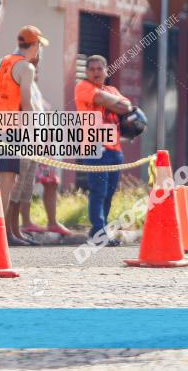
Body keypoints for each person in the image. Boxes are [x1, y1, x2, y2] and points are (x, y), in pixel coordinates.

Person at [0, 25, 47, 246]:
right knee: (9, 184)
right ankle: (1, 234)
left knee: (9, 185)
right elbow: (27, 105)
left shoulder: (2, 62)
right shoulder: (25, 68)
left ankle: (6, 232)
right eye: (39, 45)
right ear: (35, 45)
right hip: (15, 133)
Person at [74, 55, 132, 246]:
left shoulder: (112, 89)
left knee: (109, 192)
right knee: (98, 192)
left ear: (107, 70)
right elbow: (105, 100)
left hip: (115, 149)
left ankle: (99, 231)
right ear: (86, 72)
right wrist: (115, 103)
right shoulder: (83, 87)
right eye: (92, 69)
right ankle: (99, 232)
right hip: (95, 148)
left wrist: (113, 101)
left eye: (100, 69)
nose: (96, 72)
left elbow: (127, 107)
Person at [18, 64, 71, 237]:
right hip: (30, 146)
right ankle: (25, 221)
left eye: (37, 71)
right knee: (26, 184)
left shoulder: (36, 93)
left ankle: (52, 222)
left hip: (47, 147)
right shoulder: (22, 93)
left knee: (51, 183)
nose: (35, 74)